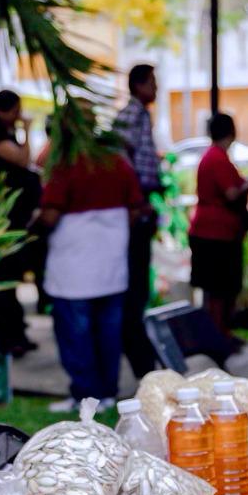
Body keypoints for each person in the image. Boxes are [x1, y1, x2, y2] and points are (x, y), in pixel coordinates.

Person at [33, 112, 138, 405]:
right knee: (108, 331)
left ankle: (84, 394)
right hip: (111, 264)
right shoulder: (115, 160)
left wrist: (34, 226)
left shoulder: (64, 165)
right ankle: (107, 392)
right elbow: (135, 208)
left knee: (76, 333)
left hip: (73, 265)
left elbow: (51, 214)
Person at [0, 89, 44, 358]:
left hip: (14, 220)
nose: (19, 115)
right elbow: (23, 159)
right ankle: (10, 337)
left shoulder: (4, 137)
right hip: (4, 222)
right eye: (15, 110)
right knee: (4, 281)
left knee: (12, 280)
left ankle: (17, 334)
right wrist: (27, 131)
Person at [113, 63, 166, 376]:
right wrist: (136, 201)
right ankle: (137, 356)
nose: (156, 89)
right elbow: (123, 159)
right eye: (153, 83)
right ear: (139, 85)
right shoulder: (132, 115)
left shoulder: (140, 114)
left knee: (138, 289)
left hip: (142, 203)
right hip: (136, 207)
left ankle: (140, 355)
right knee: (133, 291)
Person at [189, 112, 248, 337]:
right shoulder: (217, 158)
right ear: (232, 132)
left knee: (217, 290)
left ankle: (218, 334)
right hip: (216, 234)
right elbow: (231, 193)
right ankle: (218, 336)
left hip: (213, 232)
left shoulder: (213, 156)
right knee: (220, 290)